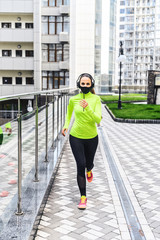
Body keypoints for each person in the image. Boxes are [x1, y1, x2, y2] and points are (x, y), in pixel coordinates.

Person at [62, 73, 102, 210]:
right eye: (83, 83)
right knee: (80, 164)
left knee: (88, 164)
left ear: (91, 85)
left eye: (87, 84)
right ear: (79, 84)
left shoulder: (96, 99)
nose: (85, 86)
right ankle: (83, 197)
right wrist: (66, 126)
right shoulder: (73, 99)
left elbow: (98, 120)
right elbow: (68, 115)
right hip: (76, 136)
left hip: (91, 138)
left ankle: (90, 169)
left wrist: (88, 107)